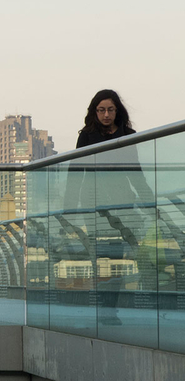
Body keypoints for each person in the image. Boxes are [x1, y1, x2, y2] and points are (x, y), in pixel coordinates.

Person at [66, 89, 154, 325]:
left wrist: (149, 201)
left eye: (110, 109)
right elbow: (75, 171)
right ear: (95, 111)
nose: (106, 114)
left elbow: (135, 173)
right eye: (101, 110)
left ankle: (109, 309)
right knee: (102, 257)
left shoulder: (128, 135)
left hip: (122, 201)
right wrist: (68, 207)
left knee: (119, 257)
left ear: (118, 111)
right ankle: (104, 309)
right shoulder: (87, 136)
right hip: (94, 202)